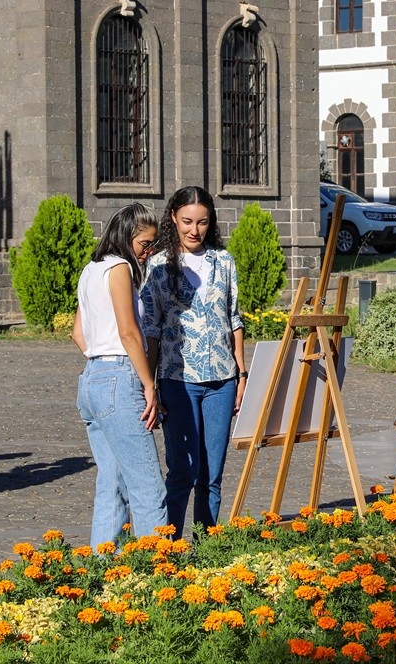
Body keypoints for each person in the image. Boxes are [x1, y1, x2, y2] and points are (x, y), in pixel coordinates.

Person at [141, 187, 245, 539]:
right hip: (177, 381)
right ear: (173, 217)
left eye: (202, 222)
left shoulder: (224, 261)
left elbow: (234, 319)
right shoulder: (157, 266)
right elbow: (151, 329)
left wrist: (242, 374)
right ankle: (169, 548)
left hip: (222, 381)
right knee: (182, 472)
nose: (194, 230)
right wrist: (149, 384)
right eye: (187, 221)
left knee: (211, 475)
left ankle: (205, 549)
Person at [70, 203, 167, 545]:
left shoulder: (91, 269)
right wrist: (148, 384)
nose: (148, 252)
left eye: (153, 245)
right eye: (145, 244)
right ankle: (159, 566)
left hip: (92, 379)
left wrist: (100, 360)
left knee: (111, 486)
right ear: (126, 236)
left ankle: (102, 565)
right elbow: (129, 333)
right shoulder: (121, 268)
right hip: (119, 378)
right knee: (148, 487)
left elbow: (77, 333)